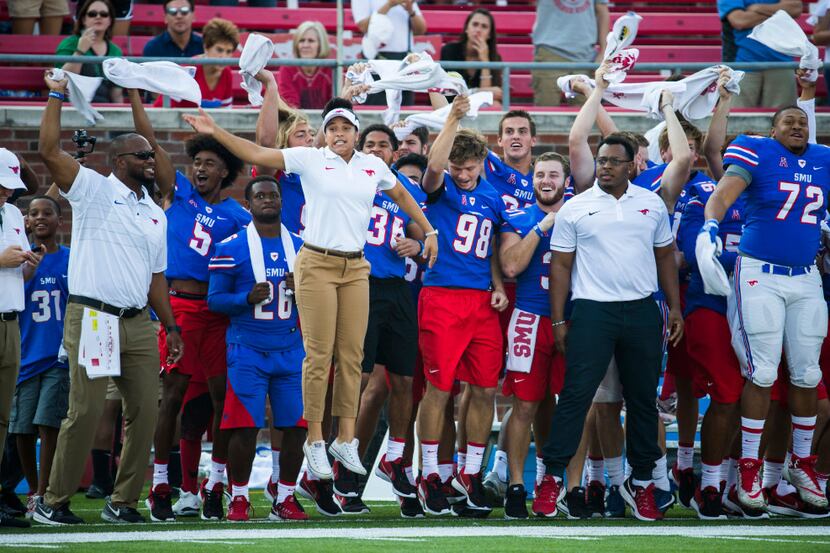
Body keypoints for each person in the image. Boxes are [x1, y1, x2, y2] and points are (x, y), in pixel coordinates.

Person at [182, 99, 437, 486]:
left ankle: (345, 439)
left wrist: (429, 230)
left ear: (356, 133)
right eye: (332, 128)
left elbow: (402, 194)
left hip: (356, 264)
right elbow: (256, 152)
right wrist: (214, 131)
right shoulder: (311, 158)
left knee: (353, 357)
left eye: (345, 128)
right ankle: (316, 439)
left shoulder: (373, 166)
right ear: (326, 133)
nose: (338, 134)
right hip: (316, 261)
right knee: (319, 355)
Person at [33, 73, 184, 526]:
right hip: (94, 315)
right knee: (86, 410)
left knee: (146, 411)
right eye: (143, 154)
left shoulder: (155, 212)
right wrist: (56, 95)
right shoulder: (93, 189)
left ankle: (123, 502)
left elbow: (156, 277)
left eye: (152, 153)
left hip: (139, 321)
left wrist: (171, 326)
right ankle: (53, 500)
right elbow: (48, 152)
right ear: (119, 160)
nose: (152, 160)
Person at [537, 134, 683, 522]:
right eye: (601, 160)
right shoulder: (576, 207)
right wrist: (557, 319)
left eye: (613, 161)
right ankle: (551, 478)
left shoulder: (651, 203)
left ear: (632, 164)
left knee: (641, 401)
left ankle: (643, 483)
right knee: (575, 397)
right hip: (591, 311)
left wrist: (675, 309)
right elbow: (560, 266)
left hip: (641, 310)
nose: (604, 166)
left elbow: (666, 257)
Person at [127, 89, 250, 523]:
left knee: (220, 400)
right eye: (197, 162)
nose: (200, 168)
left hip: (218, 313)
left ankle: (214, 484)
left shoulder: (239, 215)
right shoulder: (178, 192)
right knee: (173, 396)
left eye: (210, 164)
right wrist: (135, 97)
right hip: (178, 308)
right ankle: (162, 482)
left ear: (225, 173)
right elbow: (150, 144)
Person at [702, 105, 830, 513]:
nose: (797, 126)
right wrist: (709, 227)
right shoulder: (755, 151)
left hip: (806, 274)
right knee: (762, 370)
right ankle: (749, 465)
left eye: (803, 121)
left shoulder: (823, 158)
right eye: (788, 121)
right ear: (773, 129)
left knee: (808, 372)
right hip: (760, 271)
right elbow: (722, 195)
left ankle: (802, 463)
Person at [416, 95, 509, 517]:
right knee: (440, 388)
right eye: (458, 168)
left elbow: (491, 247)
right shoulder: (442, 186)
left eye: (469, 167)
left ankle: (470, 473)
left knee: (486, 387)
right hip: (442, 295)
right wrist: (452, 117)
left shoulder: (492, 196)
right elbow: (433, 168)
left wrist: (496, 284)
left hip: (480, 302)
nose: (463, 174)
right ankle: (430, 472)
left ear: (481, 163)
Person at [208, 176, 308, 522]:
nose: (269, 200)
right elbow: (215, 300)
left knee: (296, 425)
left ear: (282, 201)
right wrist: (244, 299)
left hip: (291, 348)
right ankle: (238, 497)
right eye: (261, 195)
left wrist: (305, 289)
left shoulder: (302, 245)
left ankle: (285, 496)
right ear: (248, 204)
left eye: (274, 195)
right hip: (247, 347)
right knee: (245, 425)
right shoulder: (231, 246)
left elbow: (319, 302)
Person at [341, 124, 426, 514]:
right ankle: (342, 462)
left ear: (394, 153)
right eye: (370, 144)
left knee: (405, 378)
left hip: (397, 291)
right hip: (361, 282)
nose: (376, 150)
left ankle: (393, 457)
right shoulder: (347, 181)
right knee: (358, 380)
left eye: (383, 146)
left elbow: (419, 233)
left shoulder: (402, 192)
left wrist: (418, 243)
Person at [497, 152, 569, 520]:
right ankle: (515, 485)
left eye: (554, 174)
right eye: (540, 174)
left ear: (565, 181)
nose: (546, 180)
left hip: (572, 319)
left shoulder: (580, 215)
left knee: (571, 406)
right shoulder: (520, 216)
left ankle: (562, 485)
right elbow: (510, 264)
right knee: (525, 404)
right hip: (528, 316)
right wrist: (542, 227)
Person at [10, 196, 70, 520]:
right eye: (34, 214)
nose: (41, 217)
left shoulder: (71, 259)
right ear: (27, 222)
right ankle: (32, 488)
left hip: (57, 356)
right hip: (25, 353)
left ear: (60, 221)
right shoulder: (18, 260)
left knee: (48, 424)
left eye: (48, 212)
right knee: (21, 429)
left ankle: (44, 493)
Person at [0, 150, 42, 529]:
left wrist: (26, 266)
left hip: (11, 317)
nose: (5, 194)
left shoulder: (13, 213)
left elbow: (15, 270)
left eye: (9, 188)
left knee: (4, 416)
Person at [716, 0, 801, 107]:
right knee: (737, 119)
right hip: (742, 65)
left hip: (780, 62)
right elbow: (740, 20)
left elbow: (795, 8)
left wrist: (756, 8)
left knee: (784, 119)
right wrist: (780, 12)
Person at [531, 0, 609, 106]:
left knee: (586, 113)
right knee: (546, 112)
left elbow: (602, 12)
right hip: (550, 52)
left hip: (586, 55)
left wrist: (603, 51)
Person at [153, 18, 239, 109]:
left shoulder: (227, 73)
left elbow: (226, 112)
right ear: (206, 47)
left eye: (229, 51)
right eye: (219, 50)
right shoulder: (188, 71)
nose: (224, 56)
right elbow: (161, 109)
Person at [55, 0, 123, 104]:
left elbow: (116, 93)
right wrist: (79, 52)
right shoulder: (69, 43)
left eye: (104, 14)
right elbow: (61, 82)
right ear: (83, 19)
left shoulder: (116, 51)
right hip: (71, 106)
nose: (98, 17)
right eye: (92, 14)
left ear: (110, 21)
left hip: (104, 108)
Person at [439, 9, 503, 103]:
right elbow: (448, 92)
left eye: (484, 26)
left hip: (477, 107)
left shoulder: (495, 58)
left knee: (496, 104)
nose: (478, 30)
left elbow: (488, 99)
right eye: (475, 24)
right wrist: (477, 91)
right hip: (450, 104)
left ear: (489, 35)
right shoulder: (449, 50)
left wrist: (485, 61)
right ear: (466, 29)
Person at [277, 21, 334, 110]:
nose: (305, 45)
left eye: (311, 41)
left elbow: (336, 105)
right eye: (301, 41)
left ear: (320, 45)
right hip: (296, 121)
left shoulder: (331, 69)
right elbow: (290, 107)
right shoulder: (287, 68)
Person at [352, 0, 427, 61]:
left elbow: (420, 31)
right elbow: (363, 27)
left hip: (405, 57)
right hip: (376, 57)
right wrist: (389, 4)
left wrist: (411, 11)